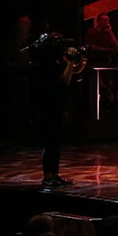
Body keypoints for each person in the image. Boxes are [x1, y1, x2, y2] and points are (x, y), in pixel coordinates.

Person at [36, 40, 87, 187]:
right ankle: (48, 177)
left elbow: (73, 72)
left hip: (57, 106)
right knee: (51, 142)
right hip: (50, 107)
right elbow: (64, 79)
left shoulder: (56, 63)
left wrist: (81, 60)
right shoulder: (48, 65)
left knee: (56, 142)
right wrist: (71, 61)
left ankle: (54, 175)